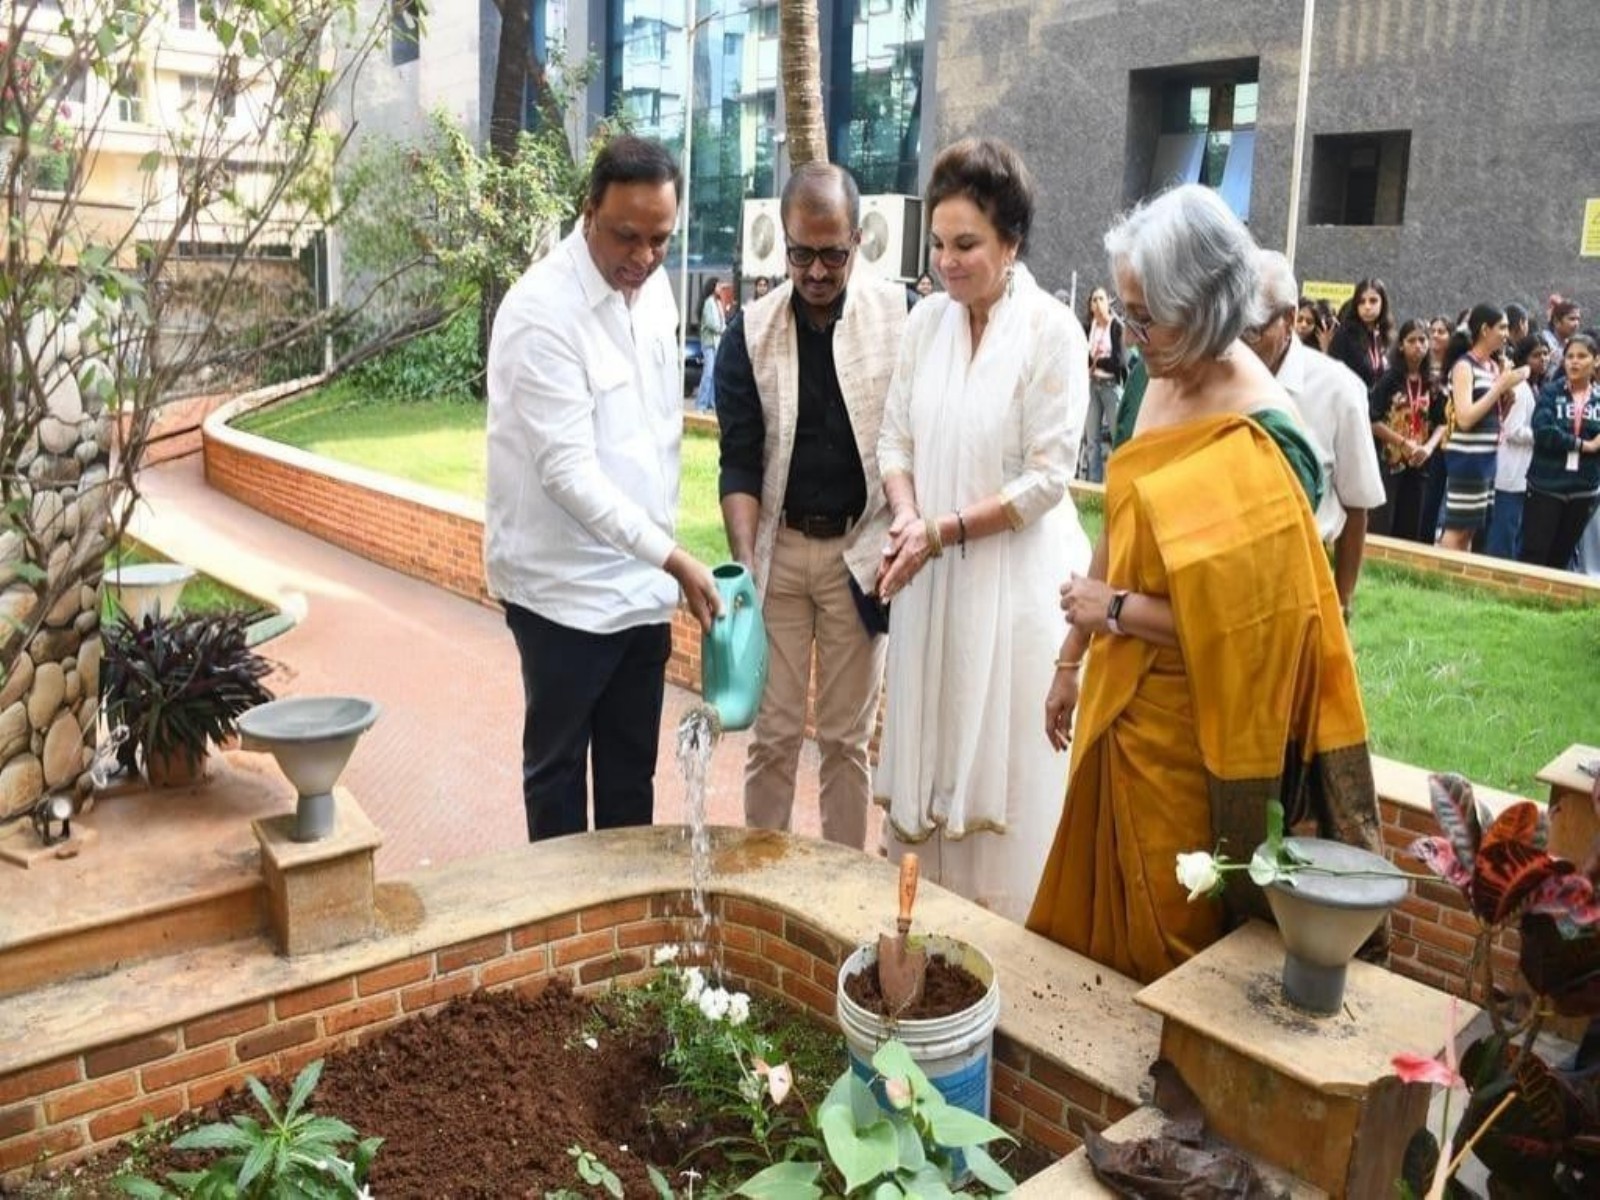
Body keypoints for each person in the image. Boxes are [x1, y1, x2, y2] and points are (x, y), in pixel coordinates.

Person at [1027, 184, 1381, 984]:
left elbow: (1241, 628)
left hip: (1197, 730)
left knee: (1171, 931)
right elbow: (1120, 523)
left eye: (1151, 316)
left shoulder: (1265, 432)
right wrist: (1070, 657)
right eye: (1128, 314)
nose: (1135, 335)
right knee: (1094, 939)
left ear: (1211, 304)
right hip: (1119, 700)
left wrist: (1110, 612)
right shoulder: (1157, 379)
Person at [873, 137, 1091, 921]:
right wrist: (907, 520)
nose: (947, 262)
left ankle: (1003, 961)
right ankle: (921, 946)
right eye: (937, 244)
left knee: (1003, 772)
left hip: (1014, 589)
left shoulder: (1050, 330)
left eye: (966, 244)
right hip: (929, 579)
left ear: (1012, 242)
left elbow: (1046, 478)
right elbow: (894, 438)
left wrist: (943, 530)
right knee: (928, 758)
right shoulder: (926, 322)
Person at [485, 135, 721, 842]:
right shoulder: (540, 313)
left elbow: (654, 436)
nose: (644, 257)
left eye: (660, 238)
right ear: (588, 211)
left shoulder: (652, 293)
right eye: (627, 235)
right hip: (562, 595)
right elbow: (569, 474)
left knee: (630, 782)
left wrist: (659, 562)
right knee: (558, 784)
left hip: (641, 590)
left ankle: (630, 939)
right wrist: (675, 559)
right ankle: (564, 943)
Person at [715, 163, 909, 848]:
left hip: (862, 550)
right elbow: (738, 456)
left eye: (834, 253)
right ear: (784, 243)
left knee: (846, 740)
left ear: (858, 240)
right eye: (802, 253)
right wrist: (746, 567)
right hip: (782, 550)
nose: (819, 270)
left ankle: (843, 895)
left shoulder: (899, 317)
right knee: (772, 735)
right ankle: (762, 883)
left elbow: (909, 439)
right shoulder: (750, 332)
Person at [1247, 252, 1386, 618]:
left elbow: (1357, 507)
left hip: (1305, 582)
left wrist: (1340, 604)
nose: (1239, 342)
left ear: (1290, 319)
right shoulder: (1217, 374)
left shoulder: (1338, 388)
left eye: (1252, 329)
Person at [1438, 304, 1528, 553]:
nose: (1506, 334)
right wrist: (1500, 387)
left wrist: (1506, 400)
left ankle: (1455, 583)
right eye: (1502, 327)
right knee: (1456, 529)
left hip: (1486, 456)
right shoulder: (1464, 366)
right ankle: (1436, 580)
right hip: (1467, 457)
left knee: (1470, 528)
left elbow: (1492, 417)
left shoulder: (1492, 366)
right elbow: (1465, 418)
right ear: (1485, 329)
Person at [1522, 334, 1600, 569]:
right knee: (1535, 553)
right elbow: (1544, 432)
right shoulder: (1550, 392)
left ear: (1596, 361)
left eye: (1582, 356)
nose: (1574, 362)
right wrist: (1585, 445)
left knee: (1562, 556)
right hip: (1546, 486)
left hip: (1583, 489)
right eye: (1569, 357)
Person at [1368, 319, 1448, 543]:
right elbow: (1372, 421)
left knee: (1410, 526)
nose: (1418, 345)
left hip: (1419, 464)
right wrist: (1402, 442)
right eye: (1411, 340)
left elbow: (1442, 421)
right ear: (1401, 345)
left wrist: (1428, 448)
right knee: (1383, 522)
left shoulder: (1431, 382)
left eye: (1422, 340)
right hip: (1390, 462)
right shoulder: (1390, 379)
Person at [1486, 335, 1545, 559]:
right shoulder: (1520, 388)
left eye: (1545, 354)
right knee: (1503, 534)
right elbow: (1512, 431)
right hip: (1509, 473)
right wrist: (1542, 436)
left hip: (1519, 472)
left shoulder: (1532, 387)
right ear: (1523, 358)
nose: (1543, 359)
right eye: (1536, 355)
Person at [1079, 285, 1126, 483]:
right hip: (1092, 386)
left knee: (1118, 438)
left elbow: (1118, 362)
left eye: (1101, 299)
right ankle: (1093, 486)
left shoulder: (1116, 328)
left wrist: (1098, 362)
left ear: (1108, 303)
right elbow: (1082, 357)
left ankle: (1117, 483)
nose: (1097, 304)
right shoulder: (1088, 328)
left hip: (1110, 386)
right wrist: (1093, 363)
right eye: (1094, 300)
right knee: (1092, 440)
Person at [1328, 278, 1396, 389]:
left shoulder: (1385, 335)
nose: (1367, 307)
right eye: (1362, 302)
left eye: (1373, 301)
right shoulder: (1345, 335)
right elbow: (1333, 375)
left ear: (1383, 303)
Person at [695, 278, 728, 412]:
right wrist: (722, 328)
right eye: (718, 285)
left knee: (715, 374)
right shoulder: (708, 302)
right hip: (709, 343)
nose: (721, 288)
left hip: (717, 342)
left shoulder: (718, 303)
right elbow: (711, 323)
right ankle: (701, 404)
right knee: (708, 373)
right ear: (713, 287)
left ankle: (712, 403)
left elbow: (722, 321)